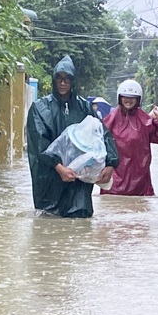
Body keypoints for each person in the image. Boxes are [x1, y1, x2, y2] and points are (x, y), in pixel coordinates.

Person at [26, 55, 119, 218]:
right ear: (54, 80)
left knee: (80, 223)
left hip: (79, 179)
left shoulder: (84, 107)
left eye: (67, 79)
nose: (63, 83)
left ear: (73, 81)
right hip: (50, 179)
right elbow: (38, 143)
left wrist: (111, 164)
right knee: (48, 222)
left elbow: (102, 135)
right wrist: (59, 167)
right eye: (59, 79)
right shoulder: (40, 108)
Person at [100, 79, 158, 196]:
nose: (128, 100)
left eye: (132, 97)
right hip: (116, 176)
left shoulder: (145, 119)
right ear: (119, 98)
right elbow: (99, 141)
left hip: (139, 177)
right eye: (125, 97)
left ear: (138, 100)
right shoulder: (111, 119)